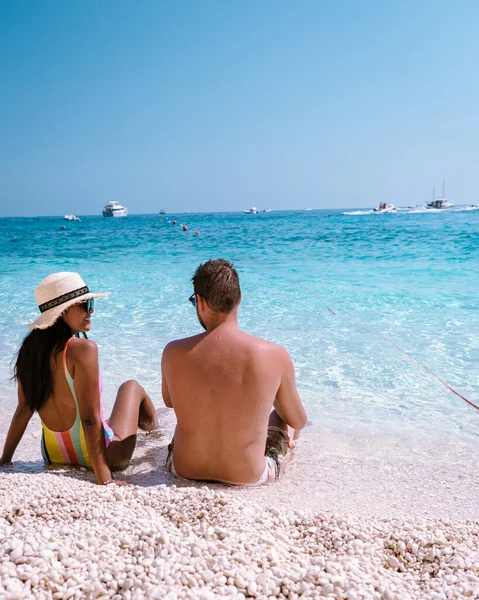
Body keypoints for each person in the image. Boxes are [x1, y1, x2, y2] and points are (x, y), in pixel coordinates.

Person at [0, 272, 158, 485]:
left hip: (53, 455)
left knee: (109, 420)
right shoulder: (83, 349)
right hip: (101, 458)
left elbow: (23, 410)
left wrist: (5, 461)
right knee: (132, 386)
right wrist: (105, 479)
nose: (91, 310)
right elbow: (89, 418)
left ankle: (155, 434)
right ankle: (156, 434)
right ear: (64, 310)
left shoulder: (29, 352)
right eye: (85, 304)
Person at [161, 259, 307, 486]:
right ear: (239, 300)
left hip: (184, 469)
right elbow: (298, 420)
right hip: (247, 476)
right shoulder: (274, 354)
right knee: (281, 415)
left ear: (200, 302)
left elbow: (170, 401)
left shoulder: (173, 352)